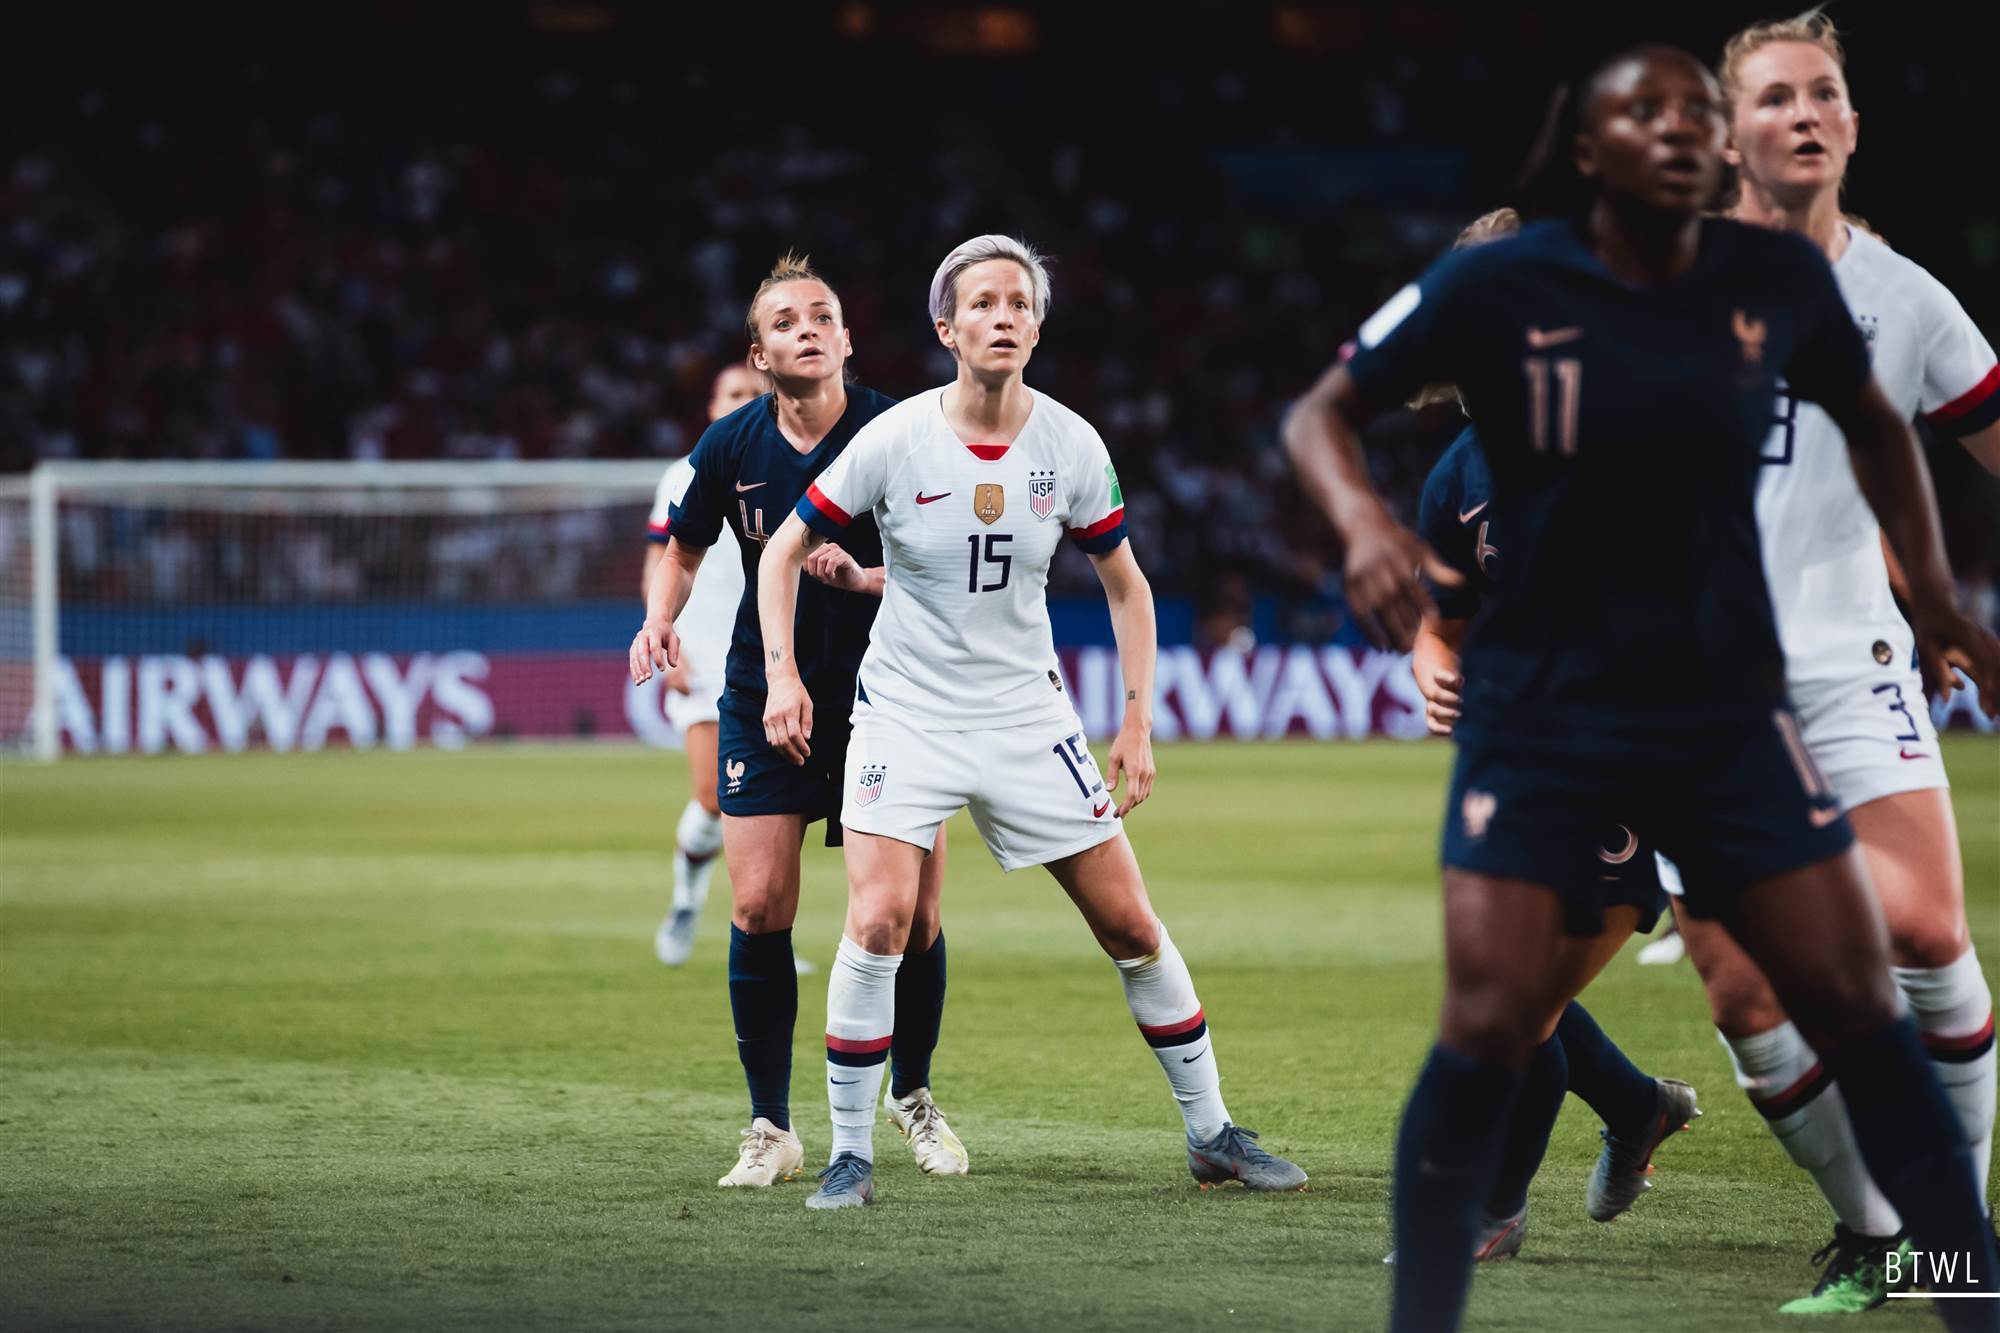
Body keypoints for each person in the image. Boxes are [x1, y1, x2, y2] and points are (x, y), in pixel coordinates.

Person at [1281, 45, 2000, 1333]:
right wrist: (1368, 537)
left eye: (1690, 113)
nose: (1672, 134)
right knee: (1497, 1014)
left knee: (1859, 985)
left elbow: (1883, 426)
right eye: (1640, 114)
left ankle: (1957, 1277)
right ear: (1585, 153)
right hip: (1553, 712)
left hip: (1734, 706)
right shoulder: (1499, 283)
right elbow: (1327, 419)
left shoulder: (1773, 279)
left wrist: (1936, 598)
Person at [757, 234, 1307, 1211]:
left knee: (1130, 924)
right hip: (907, 716)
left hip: (1025, 715)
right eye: (983, 303)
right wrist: (781, 675)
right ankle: (849, 1154)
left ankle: (1211, 1133)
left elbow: (1127, 590)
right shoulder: (891, 442)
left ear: (1037, 325)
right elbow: (782, 551)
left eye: (1019, 302)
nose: (1003, 315)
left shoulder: (1070, 444)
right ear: (946, 327)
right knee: (880, 917)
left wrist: (1136, 722)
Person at [1652, 11, 2000, 1314]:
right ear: (1731, 131)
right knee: (1745, 993)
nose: (1804, 114)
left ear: (1850, 125)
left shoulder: (1906, 301)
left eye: (1826, 94)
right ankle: (1872, 1230)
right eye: (1777, 97)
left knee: (1919, 924)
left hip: (1852, 668)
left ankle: (1958, 1235)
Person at [629, 254, 962, 1189]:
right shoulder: (732, 445)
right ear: (760, 352)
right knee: (758, 904)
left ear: (848, 340)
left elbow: (946, 568)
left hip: (892, 695)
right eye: (786, 320)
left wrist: (863, 579)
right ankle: (771, 1127)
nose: (807, 328)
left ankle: (914, 1095)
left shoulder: (905, 432)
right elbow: (683, 547)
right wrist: (661, 613)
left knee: (914, 913)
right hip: (760, 694)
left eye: (824, 315)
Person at [1405, 222, 1698, 1262]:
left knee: (1515, 999)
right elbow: (1437, 624)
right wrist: (1432, 669)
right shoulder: (1456, 478)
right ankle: (1632, 1107)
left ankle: (1491, 1210)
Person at [648, 358, 766, 966]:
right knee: (716, 796)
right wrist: (661, 631)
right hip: (703, 653)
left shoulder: (786, 459)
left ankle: (766, 930)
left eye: (754, 390)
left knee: (779, 808)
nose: (746, 399)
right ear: (713, 408)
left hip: (777, 658)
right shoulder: (683, 472)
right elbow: (660, 559)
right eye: (733, 393)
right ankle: (687, 900)